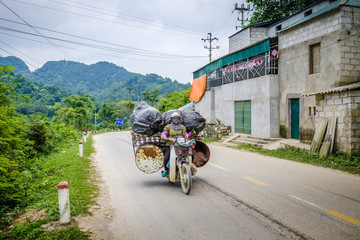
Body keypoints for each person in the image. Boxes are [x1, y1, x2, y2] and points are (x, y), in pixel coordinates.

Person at [160, 112, 192, 177]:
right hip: (171, 145)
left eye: (177, 118)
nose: (176, 119)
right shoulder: (168, 127)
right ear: (172, 119)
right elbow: (164, 133)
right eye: (174, 118)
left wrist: (190, 135)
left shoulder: (182, 127)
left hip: (181, 145)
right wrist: (164, 137)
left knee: (191, 154)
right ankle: (166, 170)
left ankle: (190, 168)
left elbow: (185, 134)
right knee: (166, 158)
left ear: (179, 119)